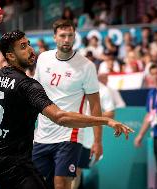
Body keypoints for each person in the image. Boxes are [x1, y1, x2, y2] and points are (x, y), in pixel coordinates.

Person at [0, 11, 133, 189]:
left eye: (28, 44)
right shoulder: (28, 86)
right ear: (11, 56)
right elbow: (61, 117)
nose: (30, 50)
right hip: (17, 164)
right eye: (23, 47)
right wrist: (106, 120)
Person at [32, 19, 103, 189]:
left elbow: (95, 106)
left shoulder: (87, 66)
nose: (66, 39)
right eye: (62, 35)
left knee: (61, 184)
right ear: (54, 37)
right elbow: (35, 94)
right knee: (37, 183)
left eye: (70, 35)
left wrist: (97, 141)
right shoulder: (43, 59)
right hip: (42, 135)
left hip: (69, 135)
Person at [72, 82, 115, 189]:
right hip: (68, 134)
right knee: (64, 170)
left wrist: (90, 118)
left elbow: (110, 113)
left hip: (86, 140)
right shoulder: (73, 83)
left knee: (76, 169)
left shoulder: (103, 90)